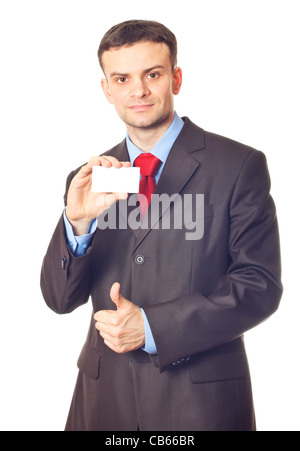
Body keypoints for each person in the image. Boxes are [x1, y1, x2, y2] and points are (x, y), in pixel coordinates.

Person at [41, 19, 283, 431]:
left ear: (176, 78)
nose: (138, 90)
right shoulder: (89, 178)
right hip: (104, 403)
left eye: (152, 74)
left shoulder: (239, 166)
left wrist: (153, 328)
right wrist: (76, 223)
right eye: (122, 78)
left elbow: (258, 284)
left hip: (201, 404)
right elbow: (60, 300)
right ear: (107, 89)